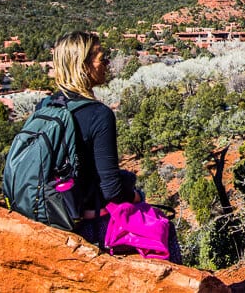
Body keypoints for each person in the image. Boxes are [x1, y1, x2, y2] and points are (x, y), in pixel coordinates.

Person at [50, 31, 182, 263]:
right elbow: (112, 190)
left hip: (54, 215)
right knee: (163, 227)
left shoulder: (48, 106)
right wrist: (135, 193)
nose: (107, 64)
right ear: (83, 66)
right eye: (102, 58)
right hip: (90, 226)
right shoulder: (98, 114)